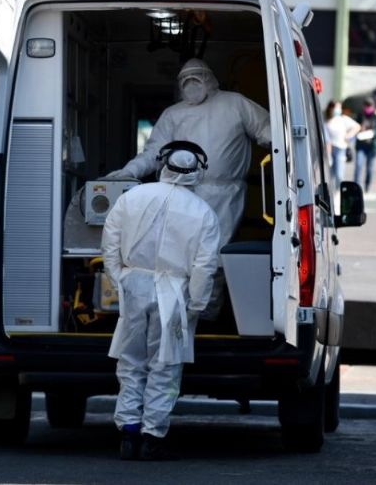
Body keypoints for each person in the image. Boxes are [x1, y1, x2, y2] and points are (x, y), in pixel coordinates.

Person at [102, 144, 220, 461]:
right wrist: (195, 305)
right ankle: (152, 434)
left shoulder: (131, 198)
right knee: (165, 366)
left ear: (162, 165)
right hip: (174, 293)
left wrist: (120, 280)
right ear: (198, 171)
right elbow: (204, 267)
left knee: (130, 363)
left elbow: (109, 243)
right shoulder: (204, 213)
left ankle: (127, 429)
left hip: (133, 286)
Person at [103, 58, 269, 255]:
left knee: (214, 255)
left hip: (226, 195)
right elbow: (154, 153)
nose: (191, 83)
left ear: (209, 79)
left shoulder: (236, 103)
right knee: (184, 254)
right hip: (183, 194)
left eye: (196, 78)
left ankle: (214, 286)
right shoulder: (173, 114)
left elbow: (267, 131)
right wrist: (129, 171)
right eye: (185, 80)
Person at [323, 101, 360, 192]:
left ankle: (338, 192)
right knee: (329, 174)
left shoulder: (343, 119)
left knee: (339, 174)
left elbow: (357, 127)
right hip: (329, 149)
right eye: (336, 107)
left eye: (339, 108)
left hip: (340, 148)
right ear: (331, 108)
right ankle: (330, 192)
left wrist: (349, 135)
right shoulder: (326, 120)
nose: (338, 110)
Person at [352, 98, 376, 192]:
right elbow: (354, 127)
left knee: (370, 168)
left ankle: (367, 186)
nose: (368, 108)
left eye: (370, 106)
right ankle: (356, 187)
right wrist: (360, 128)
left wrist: (374, 132)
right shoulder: (360, 115)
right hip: (361, 146)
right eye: (366, 105)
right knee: (359, 165)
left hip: (371, 146)